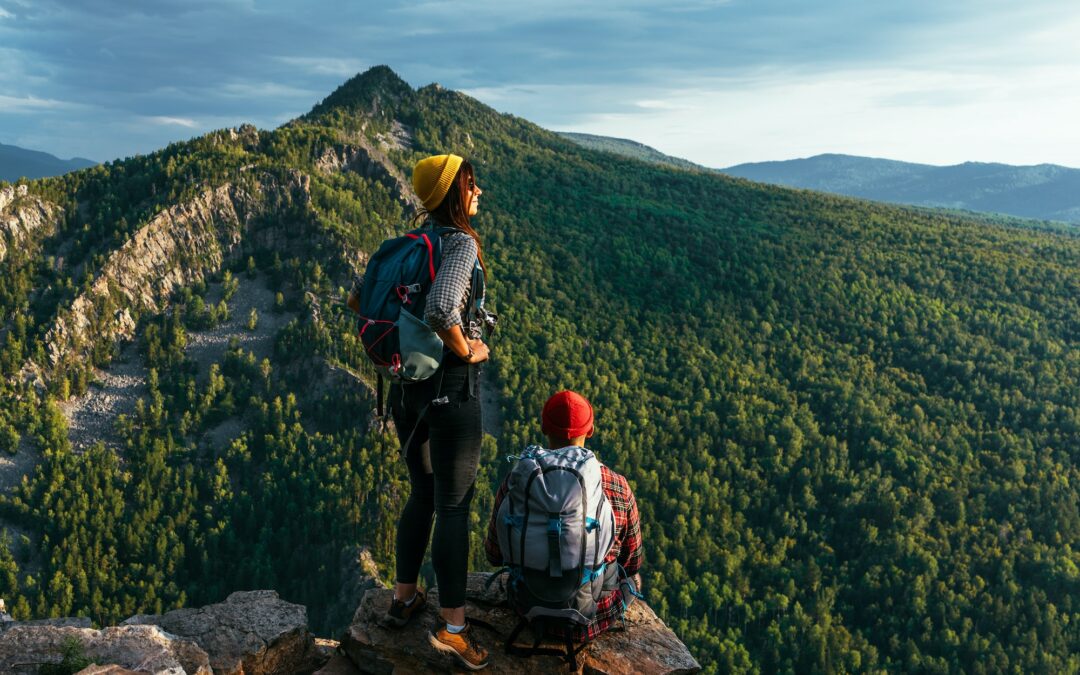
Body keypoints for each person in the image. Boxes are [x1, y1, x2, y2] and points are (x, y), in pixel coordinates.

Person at [351, 154, 491, 670]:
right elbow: (440, 309)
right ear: (455, 193)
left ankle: (404, 598)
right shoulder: (458, 244)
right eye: (473, 186)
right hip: (451, 390)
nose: (480, 194)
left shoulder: (406, 246)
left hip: (405, 390)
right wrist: (468, 349)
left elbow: (356, 299)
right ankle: (454, 629)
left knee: (422, 494)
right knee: (454, 506)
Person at [484, 390, 643, 644]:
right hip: (593, 618)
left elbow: (494, 554)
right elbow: (632, 562)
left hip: (527, 609)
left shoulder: (519, 482)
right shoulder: (616, 485)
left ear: (545, 428)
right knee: (634, 578)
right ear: (590, 431)